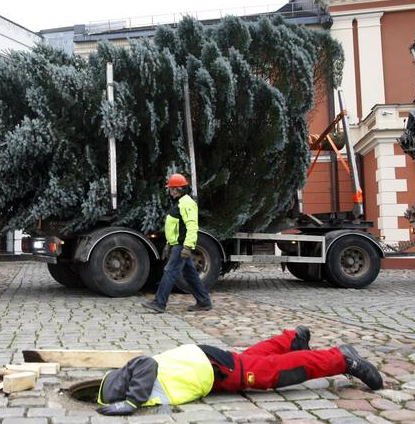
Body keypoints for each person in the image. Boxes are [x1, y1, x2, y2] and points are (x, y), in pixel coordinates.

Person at [96, 326, 383, 416]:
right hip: (211, 372)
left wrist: (131, 402)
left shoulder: (136, 376)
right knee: (250, 361)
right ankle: (292, 340)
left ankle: (342, 359)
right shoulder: (134, 384)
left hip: (212, 368)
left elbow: (147, 362)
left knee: (274, 373)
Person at [142, 173, 212, 314]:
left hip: (182, 246)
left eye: (171, 188)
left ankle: (159, 303)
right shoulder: (180, 203)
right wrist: (169, 243)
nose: (170, 191)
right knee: (190, 274)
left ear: (177, 189)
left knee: (170, 271)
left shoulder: (186, 203)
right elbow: (175, 227)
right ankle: (204, 302)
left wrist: (187, 247)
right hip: (178, 244)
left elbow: (192, 226)